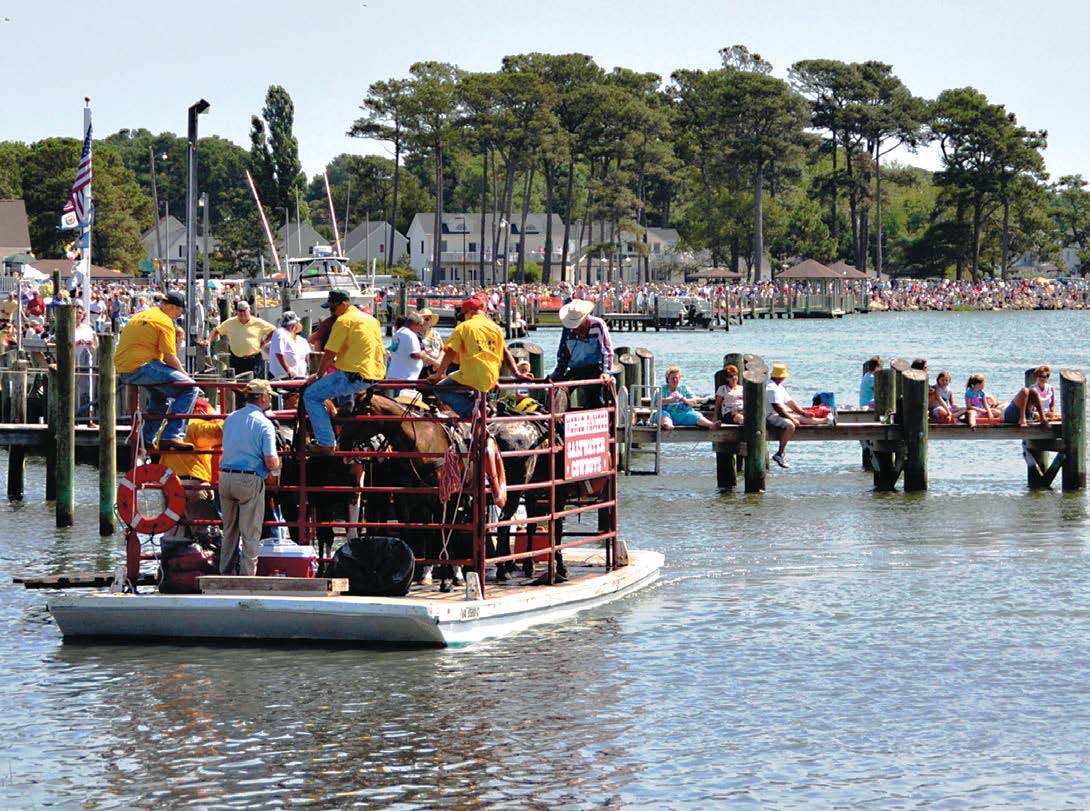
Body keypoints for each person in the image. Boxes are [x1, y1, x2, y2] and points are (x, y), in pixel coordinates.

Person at [303, 289, 385, 454]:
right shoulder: (371, 320)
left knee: (310, 396)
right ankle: (347, 404)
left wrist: (318, 375)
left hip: (353, 375)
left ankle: (326, 443)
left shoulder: (344, 321)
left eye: (332, 308)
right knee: (340, 375)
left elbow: (330, 353)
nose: (331, 312)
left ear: (343, 304)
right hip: (375, 375)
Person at [114, 291, 197, 452]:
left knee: (161, 397)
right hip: (141, 365)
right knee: (190, 388)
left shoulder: (144, 314)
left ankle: (146, 439)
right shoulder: (164, 321)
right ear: (172, 307)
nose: (179, 316)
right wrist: (184, 374)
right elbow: (170, 358)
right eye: (179, 311)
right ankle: (172, 435)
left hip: (125, 366)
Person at [218, 379, 280, 576]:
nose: (269, 399)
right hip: (249, 479)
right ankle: (247, 577)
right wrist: (277, 467)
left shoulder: (231, 418)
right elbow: (270, 460)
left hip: (225, 477)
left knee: (229, 530)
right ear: (262, 397)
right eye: (269, 396)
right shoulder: (264, 424)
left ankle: (225, 573)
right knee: (250, 532)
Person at [426, 296, 526, 418]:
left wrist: (438, 374)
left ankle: (472, 411)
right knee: (465, 384)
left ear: (469, 312)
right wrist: (516, 374)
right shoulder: (495, 328)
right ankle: (482, 407)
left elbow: (450, 352)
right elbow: (505, 353)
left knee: (441, 388)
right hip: (492, 377)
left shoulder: (464, 327)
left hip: (471, 376)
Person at [549, 298, 614, 409]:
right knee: (560, 390)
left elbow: (606, 350)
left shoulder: (598, 325)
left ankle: (598, 416)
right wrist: (556, 374)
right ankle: (558, 420)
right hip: (575, 369)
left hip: (595, 368)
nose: (575, 329)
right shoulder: (568, 329)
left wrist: (606, 372)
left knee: (595, 396)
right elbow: (563, 354)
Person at [766, 362, 825, 468]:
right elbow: (778, 408)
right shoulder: (771, 388)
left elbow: (790, 402)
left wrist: (803, 412)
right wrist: (792, 419)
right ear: (781, 377)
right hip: (769, 416)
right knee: (790, 425)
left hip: (777, 414)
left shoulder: (779, 387)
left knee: (801, 418)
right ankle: (780, 453)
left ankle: (826, 421)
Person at [203, 300, 275, 376]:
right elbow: (216, 330)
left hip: (254, 359)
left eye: (244, 310)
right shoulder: (230, 322)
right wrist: (208, 340)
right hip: (236, 360)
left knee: (255, 384)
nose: (242, 313)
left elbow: (273, 330)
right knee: (237, 384)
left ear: (249, 310)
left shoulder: (258, 322)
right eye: (240, 311)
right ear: (237, 311)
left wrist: (264, 342)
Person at [385, 311, 439, 396]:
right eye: (421, 325)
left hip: (396, 374)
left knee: (396, 400)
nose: (421, 328)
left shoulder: (399, 333)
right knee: (403, 403)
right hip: (406, 377)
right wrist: (422, 354)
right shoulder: (410, 335)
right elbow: (414, 354)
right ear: (417, 324)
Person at [268, 310, 311, 380]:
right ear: (293, 324)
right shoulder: (280, 333)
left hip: (300, 377)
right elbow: (279, 353)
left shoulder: (300, 340)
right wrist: (288, 370)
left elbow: (308, 358)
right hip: (282, 377)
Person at [416, 308, 445, 375]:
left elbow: (442, 349)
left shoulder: (436, 334)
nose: (425, 321)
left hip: (437, 367)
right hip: (422, 368)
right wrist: (434, 362)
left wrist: (438, 362)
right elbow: (420, 352)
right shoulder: (415, 335)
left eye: (427, 319)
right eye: (423, 319)